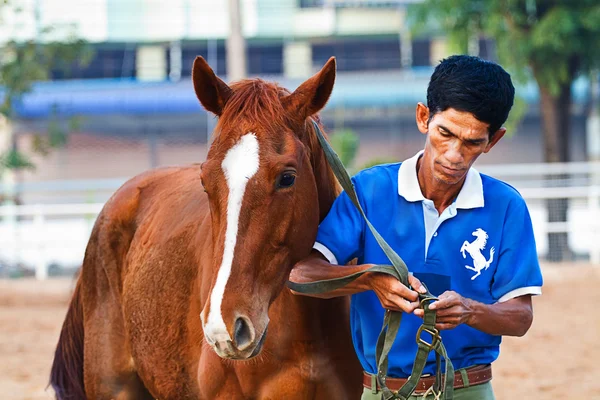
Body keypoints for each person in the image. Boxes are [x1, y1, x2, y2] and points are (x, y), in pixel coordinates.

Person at [290, 55, 543, 400]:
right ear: (424, 117)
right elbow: (300, 276)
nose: (454, 155)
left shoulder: (506, 206)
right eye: (445, 133)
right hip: (382, 391)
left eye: (472, 143)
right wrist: (368, 279)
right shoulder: (369, 190)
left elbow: (521, 317)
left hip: (469, 390)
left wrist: (471, 311)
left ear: (493, 141)